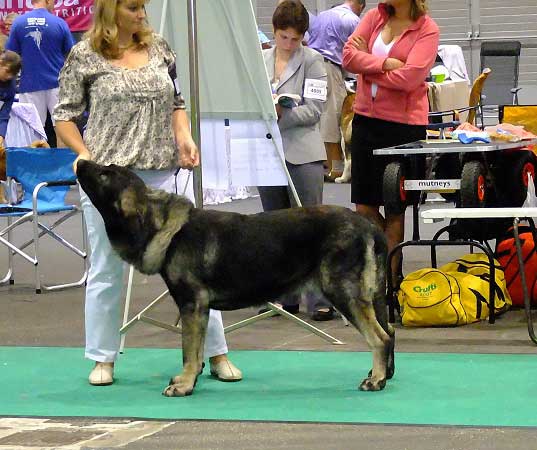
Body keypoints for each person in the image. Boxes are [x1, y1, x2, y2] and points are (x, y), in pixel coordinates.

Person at [54, 0, 242, 386]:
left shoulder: (159, 48)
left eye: (142, 7)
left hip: (162, 177)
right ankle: (102, 358)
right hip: (110, 182)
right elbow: (64, 116)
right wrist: (84, 154)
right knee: (106, 269)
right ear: (111, 11)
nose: (142, 14)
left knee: (196, 268)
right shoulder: (83, 56)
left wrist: (184, 135)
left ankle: (217, 353)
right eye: (133, 7)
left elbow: (176, 102)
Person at [342, 0, 439, 282]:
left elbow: (411, 78)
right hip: (366, 122)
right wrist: (384, 63)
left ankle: (390, 281)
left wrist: (367, 67)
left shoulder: (427, 29)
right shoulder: (373, 17)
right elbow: (348, 57)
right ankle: (387, 265)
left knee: (395, 206)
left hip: (402, 127)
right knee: (364, 206)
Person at [258, 1, 334, 321]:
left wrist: (279, 115)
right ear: (274, 32)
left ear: (303, 36)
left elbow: (315, 109)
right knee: (274, 229)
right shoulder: (259, 60)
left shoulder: (314, 61)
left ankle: (319, 297)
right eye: (282, 37)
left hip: (304, 154)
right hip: (265, 154)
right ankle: (280, 296)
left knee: (311, 228)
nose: (288, 44)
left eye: (295, 38)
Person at [307, 0, 365, 181]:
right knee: (333, 119)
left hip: (311, 67)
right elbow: (362, 52)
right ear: (360, 6)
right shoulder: (353, 20)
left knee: (314, 116)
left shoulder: (322, 16)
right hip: (330, 69)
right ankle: (336, 169)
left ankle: (321, 165)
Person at [6, 0, 74, 145]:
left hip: (29, 84)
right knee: (63, 128)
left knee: (33, 131)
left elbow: (11, 56)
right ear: (48, 1)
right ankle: (64, 166)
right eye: (53, 2)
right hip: (58, 84)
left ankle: (34, 166)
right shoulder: (59, 23)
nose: (54, 5)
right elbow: (72, 55)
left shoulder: (19, 23)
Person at [0, 50, 21, 149]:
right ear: (0, 62)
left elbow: (4, 114)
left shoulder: (10, 87)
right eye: (7, 71)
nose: (9, 76)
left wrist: (1, 134)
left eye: (13, 74)